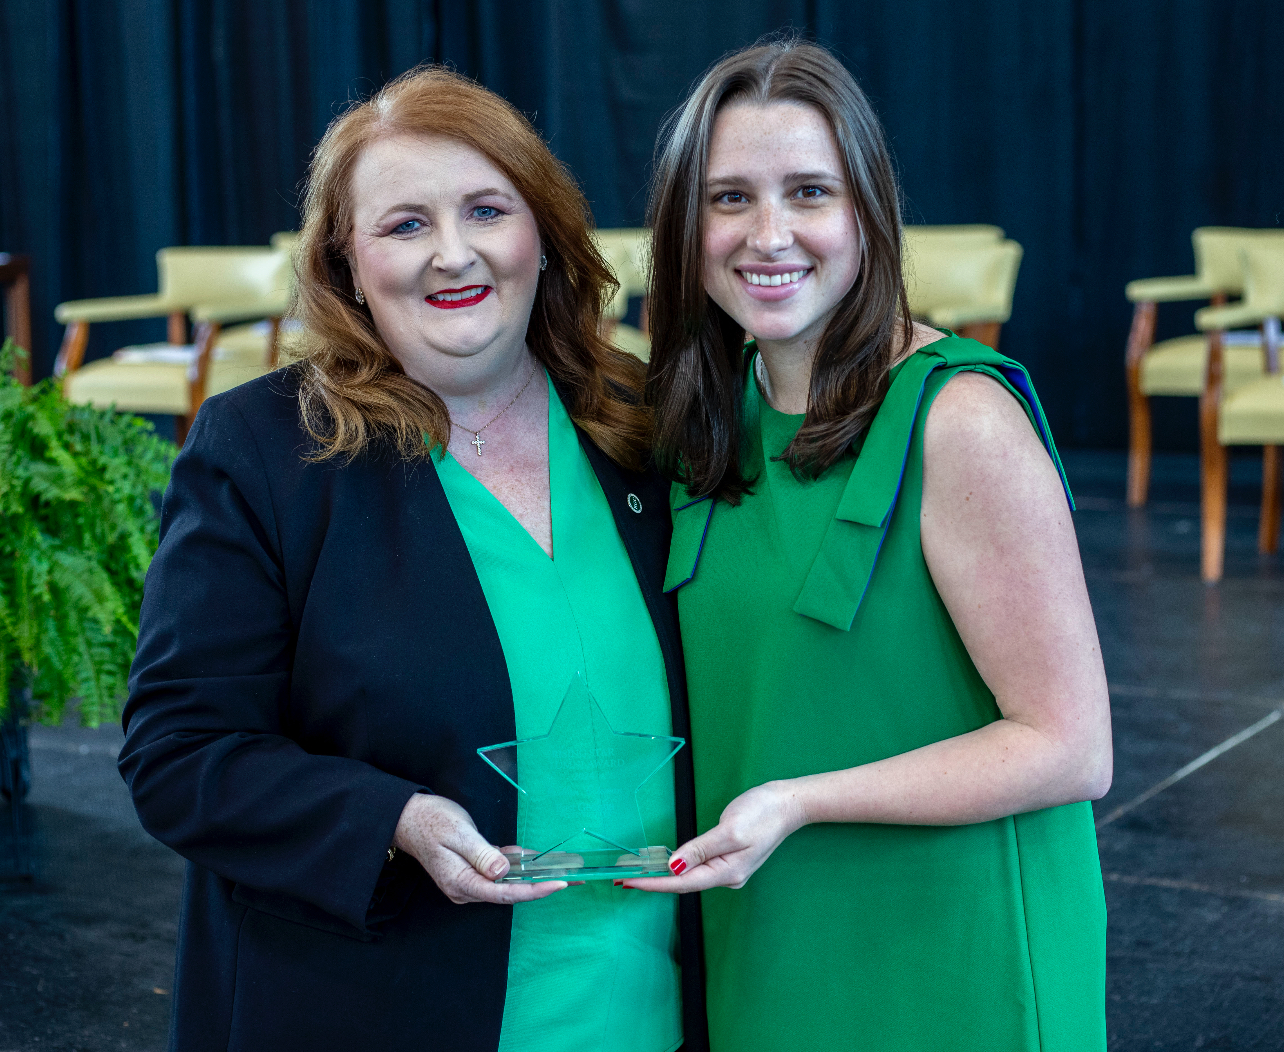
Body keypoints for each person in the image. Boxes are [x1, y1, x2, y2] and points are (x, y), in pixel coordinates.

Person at [119, 67, 706, 1052]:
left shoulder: (647, 423)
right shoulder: (262, 451)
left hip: (646, 1004)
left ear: (543, 234)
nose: (453, 253)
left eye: (487, 210)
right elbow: (178, 752)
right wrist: (394, 817)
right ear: (347, 263)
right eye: (405, 224)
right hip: (379, 1004)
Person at [626, 39, 1112, 1052]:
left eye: (810, 191)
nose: (768, 234)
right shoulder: (705, 421)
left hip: (953, 955)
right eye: (729, 198)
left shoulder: (960, 418)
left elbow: (1071, 747)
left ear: (868, 212)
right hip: (771, 934)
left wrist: (802, 802)